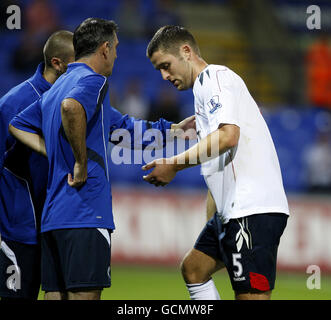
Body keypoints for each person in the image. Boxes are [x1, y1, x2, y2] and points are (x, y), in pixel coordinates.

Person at [9, 18, 195, 300]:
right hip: (85, 211)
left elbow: (18, 124)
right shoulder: (93, 81)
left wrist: (175, 130)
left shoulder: (55, 88)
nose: (118, 55)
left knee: (55, 295)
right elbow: (71, 108)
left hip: (52, 218)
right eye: (116, 48)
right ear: (105, 49)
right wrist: (80, 162)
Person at [143, 25, 290, 300]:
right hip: (231, 212)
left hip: (251, 210)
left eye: (165, 65)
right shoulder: (204, 95)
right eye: (159, 70)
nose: (164, 76)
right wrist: (215, 220)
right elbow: (218, 163)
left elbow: (228, 137)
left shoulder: (215, 78)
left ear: (186, 52)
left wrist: (173, 164)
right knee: (194, 269)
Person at [0, 30, 74, 300]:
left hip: (57, 226)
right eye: (76, 64)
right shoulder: (13, 104)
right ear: (57, 63)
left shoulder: (74, 102)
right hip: (19, 232)